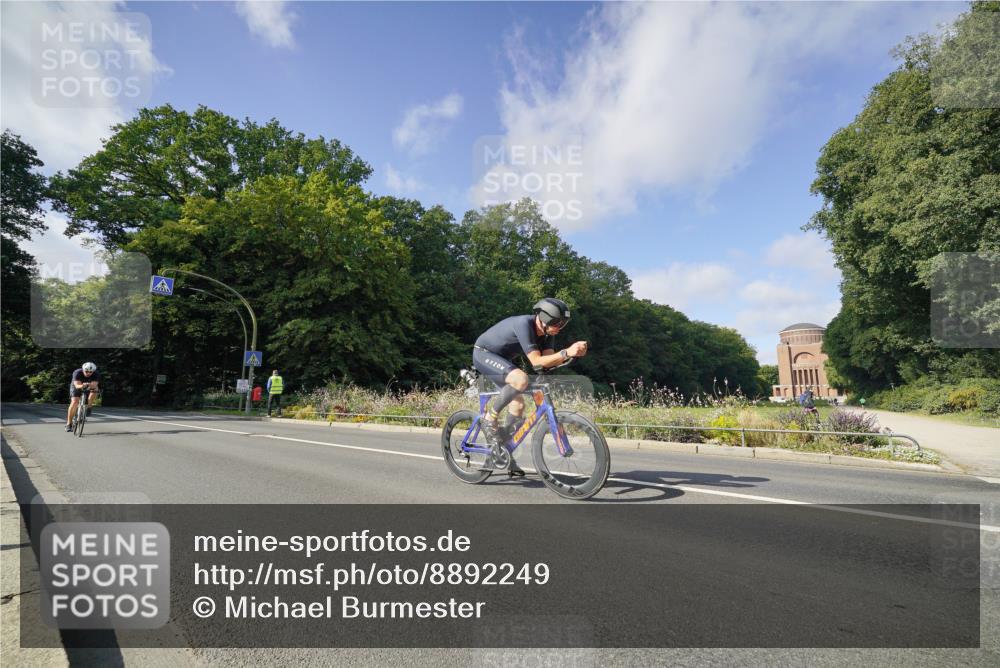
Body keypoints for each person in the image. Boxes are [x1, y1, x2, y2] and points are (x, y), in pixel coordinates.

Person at [473, 298, 589, 475]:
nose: (559, 326)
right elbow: (536, 361)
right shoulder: (524, 324)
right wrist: (567, 352)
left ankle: (502, 451)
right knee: (521, 379)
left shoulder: (549, 334)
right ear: (543, 317)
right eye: (557, 322)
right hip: (484, 353)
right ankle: (489, 418)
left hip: (503, 360)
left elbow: (546, 364)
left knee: (518, 406)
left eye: (563, 323)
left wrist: (569, 355)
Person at [66, 362, 100, 432]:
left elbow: (94, 385)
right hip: (77, 386)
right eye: (86, 371)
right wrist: (82, 385)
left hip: (88, 385)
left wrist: (89, 385)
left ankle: (89, 406)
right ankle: (69, 424)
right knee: (75, 401)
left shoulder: (96, 374)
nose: (88, 373)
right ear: (83, 369)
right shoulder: (77, 372)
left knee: (96, 389)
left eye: (91, 372)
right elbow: (77, 386)